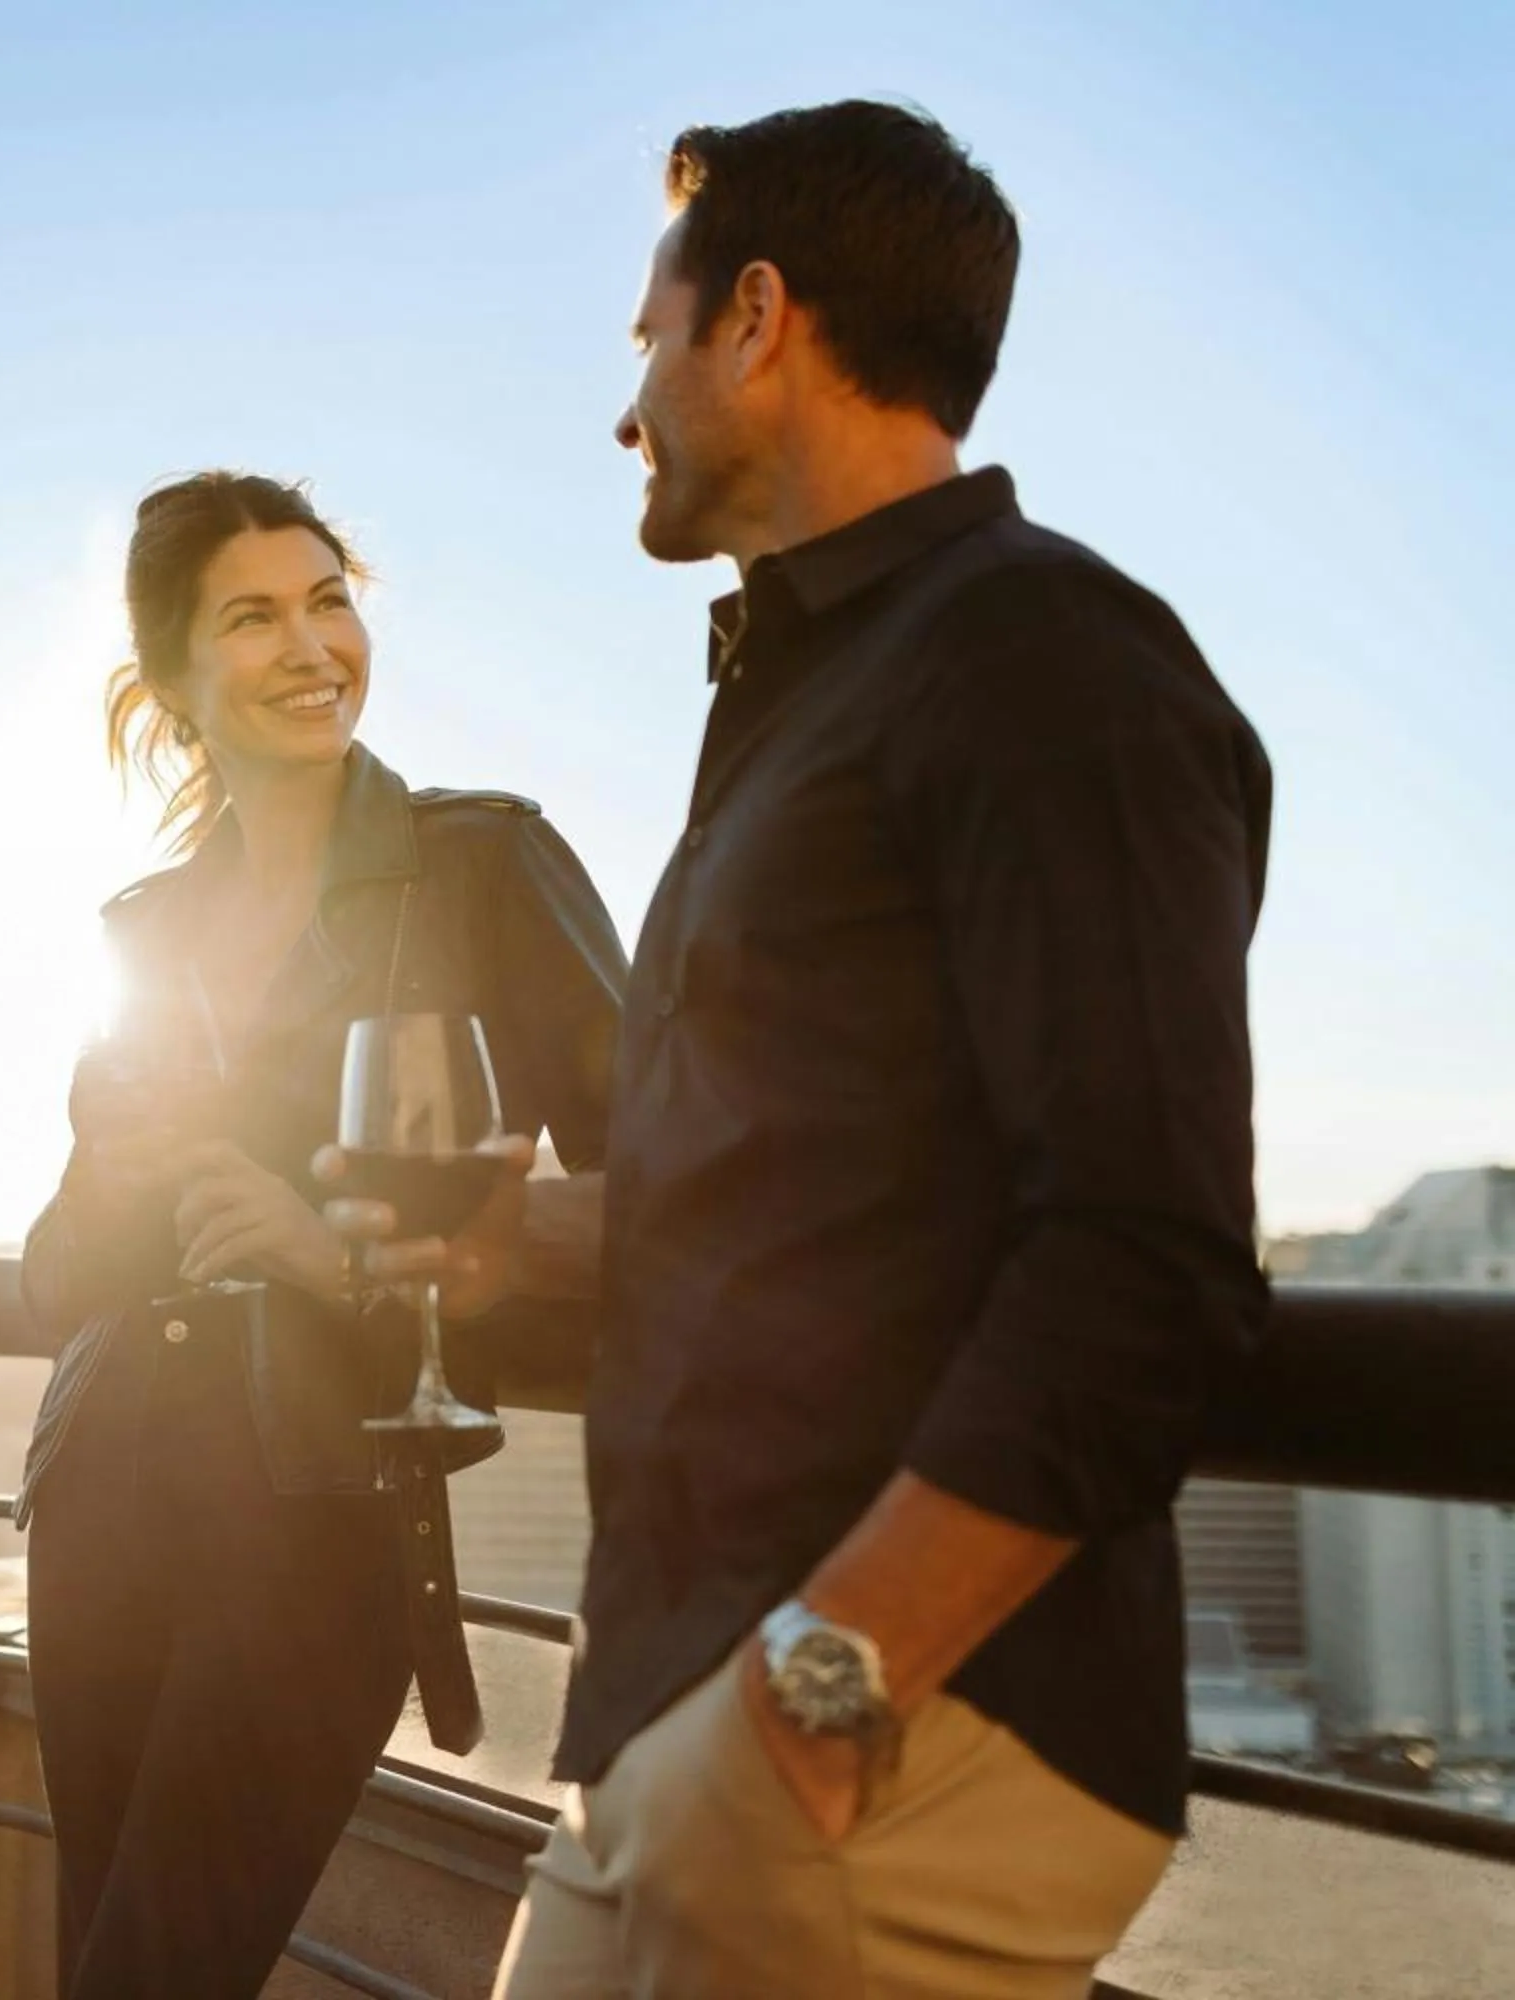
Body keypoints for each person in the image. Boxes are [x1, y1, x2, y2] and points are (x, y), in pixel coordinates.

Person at [330, 102, 1275, 1999]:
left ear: (756, 318)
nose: (627, 412)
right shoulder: (811, 700)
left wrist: (818, 1695)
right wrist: (528, 1248)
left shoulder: (1045, 660)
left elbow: (1143, 1269)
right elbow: (837, 1215)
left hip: (885, 1738)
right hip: (695, 1718)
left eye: (646, 344)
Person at [17, 470, 627, 2000]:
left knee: (149, 1977)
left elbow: (664, 1198)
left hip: (317, 1512)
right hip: (99, 1495)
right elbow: (58, 1281)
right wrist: (107, 1172)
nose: (313, 645)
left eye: (329, 600)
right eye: (254, 616)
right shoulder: (142, 930)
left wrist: (332, 1251)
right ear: (174, 680)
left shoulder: (482, 865)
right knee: (104, 1952)